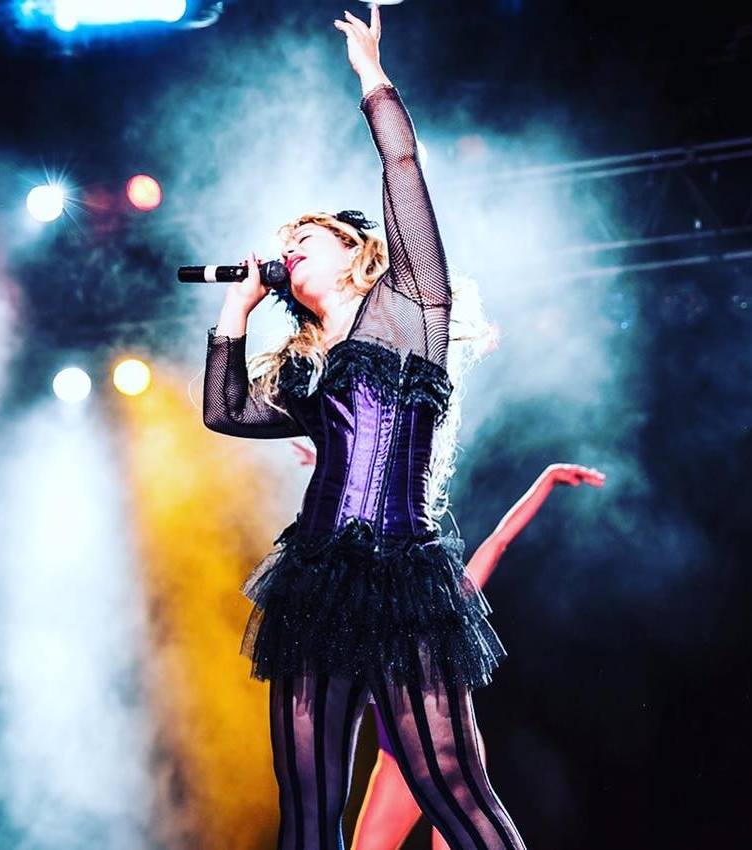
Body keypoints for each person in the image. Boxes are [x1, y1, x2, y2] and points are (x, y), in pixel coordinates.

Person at [203, 7, 527, 848]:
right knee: (309, 810)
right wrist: (235, 313)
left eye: (305, 236)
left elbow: (403, 167)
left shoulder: (413, 305)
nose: (289, 248)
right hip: (316, 581)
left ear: (355, 250)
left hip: (403, 573)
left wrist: (372, 77)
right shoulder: (313, 372)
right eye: (284, 244)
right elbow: (226, 411)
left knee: (453, 788)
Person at [350, 464, 605, 850]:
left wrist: (548, 478)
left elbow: (498, 541)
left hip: (451, 760)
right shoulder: (362, 615)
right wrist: (332, 470)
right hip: (397, 761)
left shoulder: (447, 604)